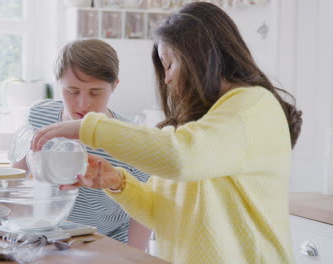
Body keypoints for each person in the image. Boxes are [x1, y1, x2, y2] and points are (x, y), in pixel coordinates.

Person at [31, 2, 303, 263]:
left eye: (169, 64)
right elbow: (161, 213)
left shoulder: (252, 106)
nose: (167, 78)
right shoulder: (196, 126)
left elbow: (183, 157)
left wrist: (87, 128)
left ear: (200, 58)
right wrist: (116, 181)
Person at [12, 39, 151, 250]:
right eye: (72, 91)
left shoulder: (130, 138)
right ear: (58, 84)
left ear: (114, 86)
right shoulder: (39, 115)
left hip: (106, 244)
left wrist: (135, 258)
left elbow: (143, 210)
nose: (83, 104)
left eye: (95, 92)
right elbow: (16, 181)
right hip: (48, 238)